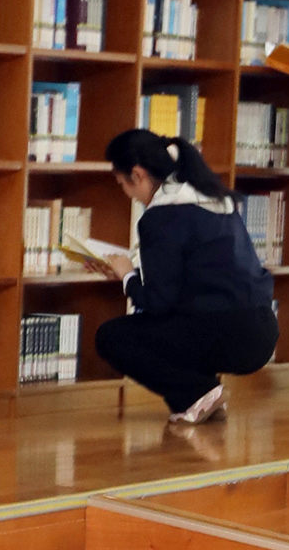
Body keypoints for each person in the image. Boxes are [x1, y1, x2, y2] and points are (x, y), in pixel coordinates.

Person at [92, 129, 278, 426]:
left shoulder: (160, 217)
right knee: (186, 322)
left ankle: (197, 395)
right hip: (262, 331)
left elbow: (158, 302)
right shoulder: (213, 198)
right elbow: (194, 275)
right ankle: (204, 398)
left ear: (137, 175)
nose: (127, 194)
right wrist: (130, 273)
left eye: (122, 184)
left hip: (224, 332)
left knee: (112, 337)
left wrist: (127, 277)